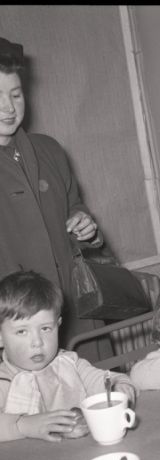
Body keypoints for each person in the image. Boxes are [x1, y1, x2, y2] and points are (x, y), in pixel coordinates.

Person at [0, 36, 103, 349]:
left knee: (96, 376)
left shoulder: (49, 150)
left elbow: (74, 206)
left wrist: (84, 225)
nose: (8, 107)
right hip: (18, 323)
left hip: (75, 309)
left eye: (16, 94)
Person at [0, 271, 137, 443]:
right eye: (22, 331)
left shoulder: (69, 362)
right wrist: (22, 426)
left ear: (58, 325)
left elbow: (100, 379)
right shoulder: (4, 380)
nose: (37, 342)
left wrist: (118, 386)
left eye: (45, 329)